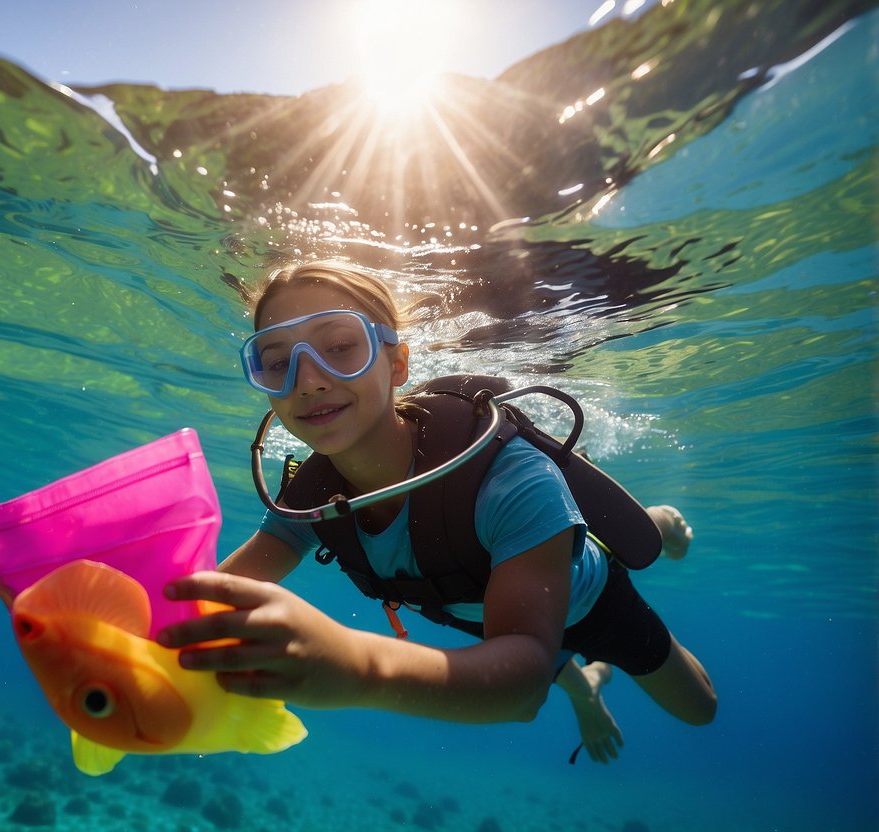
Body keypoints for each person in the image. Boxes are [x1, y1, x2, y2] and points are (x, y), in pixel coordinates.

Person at [156, 260, 716, 763]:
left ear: (397, 363)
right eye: (276, 361)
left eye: (341, 346)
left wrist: (358, 667)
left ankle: (652, 523)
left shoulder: (513, 479)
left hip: (586, 598)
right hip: (489, 614)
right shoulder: (310, 499)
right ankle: (585, 687)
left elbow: (520, 689)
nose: (308, 380)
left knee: (700, 710)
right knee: (531, 644)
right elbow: (203, 597)